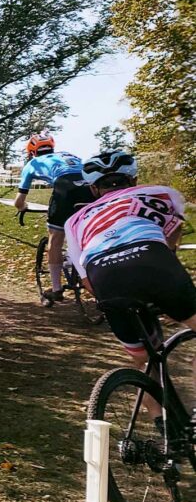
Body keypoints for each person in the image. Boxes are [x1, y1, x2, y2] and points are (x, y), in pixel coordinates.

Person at [66, 151, 194, 383]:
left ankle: (157, 418)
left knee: (144, 363)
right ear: (134, 180)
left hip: (105, 277)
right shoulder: (161, 192)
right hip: (153, 263)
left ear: (93, 189)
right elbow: (173, 234)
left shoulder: (73, 221)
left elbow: (86, 281)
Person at [14, 133, 89, 302]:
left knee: (55, 238)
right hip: (90, 187)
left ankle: (56, 288)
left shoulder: (33, 163)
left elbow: (19, 200)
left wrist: (22, 207)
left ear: (32, 151)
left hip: (65, 188)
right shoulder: (70, 155)